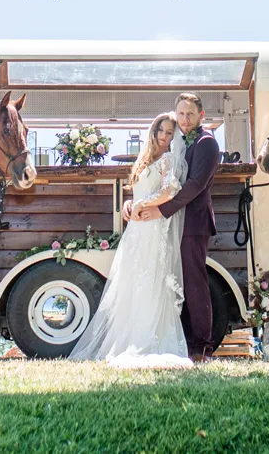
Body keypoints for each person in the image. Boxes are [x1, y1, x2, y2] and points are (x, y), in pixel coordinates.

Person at [67, 112, 191, 367]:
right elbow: (142, 190)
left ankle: (147, 339)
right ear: (153, 131)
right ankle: (126, 339)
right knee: (131, 282)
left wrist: (142, 204)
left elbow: (169, 191)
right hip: (136, 228)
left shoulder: (168, 159)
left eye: (170, 133)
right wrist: (130, 204)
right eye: (162, 131)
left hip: (153, 226)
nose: (165, 137)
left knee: (150, 280)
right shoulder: (146, 159)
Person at [134, 92, 221, 361]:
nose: (185, 119)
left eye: (190, 114)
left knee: (195, 282)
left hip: (194, 223)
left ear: (201, 116)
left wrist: (161, 210)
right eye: (181, 114)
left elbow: (194, 186)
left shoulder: (206, 144)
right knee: (180, 282)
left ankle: (203, 346)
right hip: (178, 222)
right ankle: (182, 339)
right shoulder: (181, 143)